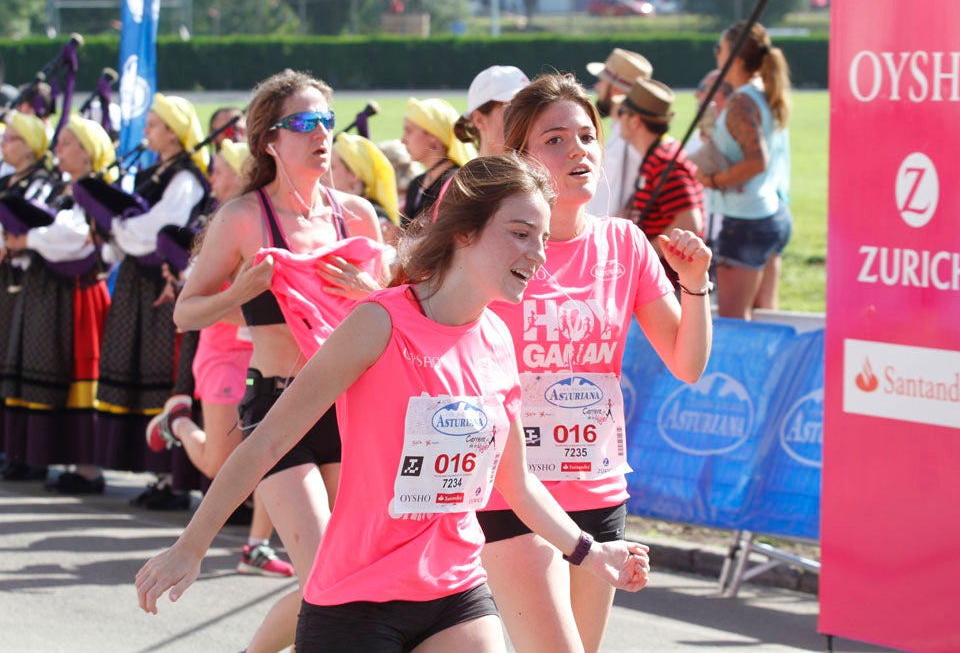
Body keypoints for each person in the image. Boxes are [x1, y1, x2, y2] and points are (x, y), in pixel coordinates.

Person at [135, 154, 652, 652]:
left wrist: (589, 552)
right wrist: (191, 546)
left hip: (455, 592)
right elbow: (269, 438)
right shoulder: (377, 323)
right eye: (519, 233)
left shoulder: (496, 337)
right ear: (464, 232)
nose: (537, 253)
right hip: (356, 599)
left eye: (540, 238)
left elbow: (514, 481)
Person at [477, 73, 713, 653]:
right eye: (554, 139)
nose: (577, 149)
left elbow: (687, 364)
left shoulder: (626, 244)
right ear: (521, 159)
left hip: (598, 487)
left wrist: (696, 285)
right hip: (511, 491)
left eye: (586, 135)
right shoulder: (492, 245)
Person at [162, 69, 383, 652]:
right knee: (323, 577)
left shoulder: (356, 216)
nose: (321, 133)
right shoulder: (243, 218)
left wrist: (368, 289)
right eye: (304, 123)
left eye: (327, 121)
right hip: (278, 406)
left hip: (351, 406)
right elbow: (186, 313)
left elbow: (392, 312)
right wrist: (241, 290)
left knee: (346, 576)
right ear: (270, 141)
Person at [145, 138, 294, 580]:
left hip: (271, 354)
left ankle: (256, 545)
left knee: (270, 450)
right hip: (224, 351)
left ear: (239, 171)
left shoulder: (277, 219)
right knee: (218, 464)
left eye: (218, 171)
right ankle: (178, 422)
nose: (210, 179)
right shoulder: (222, 225)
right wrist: (256, 313)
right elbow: (199, 306)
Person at [88, 93, 212, 509]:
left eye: (154, 123)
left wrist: (119, 226)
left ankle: (169, 477)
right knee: (136, 366)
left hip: (164, 284)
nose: (146, 130)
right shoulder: (156, 170)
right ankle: (155, 472)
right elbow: (139, 230)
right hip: (138, 283)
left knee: (162, 369)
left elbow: (159, 228)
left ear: (174, 134)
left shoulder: (187, 177)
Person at [2, 115, 113, 494]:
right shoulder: (66, 190)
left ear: (87, 152)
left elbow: (74, 237)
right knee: (42, 370)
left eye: (67, 144)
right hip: (52, 292)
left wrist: (28, 238)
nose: (58, 150)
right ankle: (39, 456)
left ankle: (87, 468)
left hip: (78, 294)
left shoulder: (94, 190)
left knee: (77, 372)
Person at [694, 21, 792, 320]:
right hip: (770, 214)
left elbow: (756, 160)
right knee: (764, 317)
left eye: (719, 49)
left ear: (735, 58)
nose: (716, 55)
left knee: (734, 320)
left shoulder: (741, 101)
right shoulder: (763, 93)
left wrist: (712, 179)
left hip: (746, 221)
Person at [0, 111, 62, 482]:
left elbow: (42, 225)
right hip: (10, 277)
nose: (4, 144)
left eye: (12, 139)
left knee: (26, 362)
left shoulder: (44, 184)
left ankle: (29, 454)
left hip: (33, 280)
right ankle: (11, 448)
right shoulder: (9, 181)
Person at [618, 77, 705, 283]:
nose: (617, 119)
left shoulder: (665, 163)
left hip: (671, 281)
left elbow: (691, 222)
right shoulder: (660, 154)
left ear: (634, 120)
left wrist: (645, 256)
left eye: (621, 112)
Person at [586, 48, 652, 218]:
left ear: (616, 89)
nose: (597, 87)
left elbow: (607, 207)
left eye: (602, 81)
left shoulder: (627, 141)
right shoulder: (621, 132)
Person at [400, 97, 475, 223]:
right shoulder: (416, 183)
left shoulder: (456, 184)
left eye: (409, 131)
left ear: (434, 137)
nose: (403, 140)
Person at [330, 132, 401, 246]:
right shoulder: (329, 206)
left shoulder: (374, 216)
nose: (324, 172)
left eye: (331, 167)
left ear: (353, 175)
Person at [454, 65, 530, 156]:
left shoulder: (544, 168)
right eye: (512, 111)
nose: (525, 120)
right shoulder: (468, 170)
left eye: (529, 110)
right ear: (479, 120)